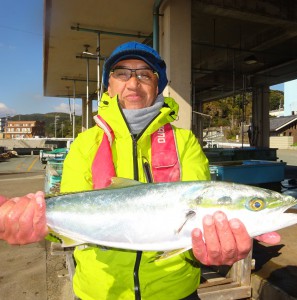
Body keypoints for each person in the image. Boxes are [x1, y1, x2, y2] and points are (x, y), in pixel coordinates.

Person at [0, 41, 280, 300]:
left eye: (145, 75)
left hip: (174, 290)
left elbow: (200, 221)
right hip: (99, 292)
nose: (133, 82)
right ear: (108, 86)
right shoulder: (86, 143)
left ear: (157, 87)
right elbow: (63, 219)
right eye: (122, 73)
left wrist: (214, 248)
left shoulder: (184, 141)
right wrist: (31, 223)